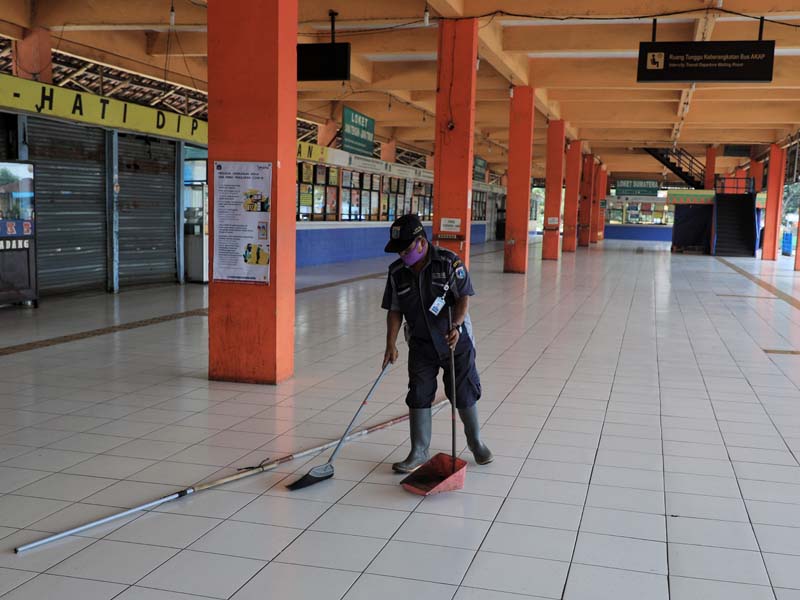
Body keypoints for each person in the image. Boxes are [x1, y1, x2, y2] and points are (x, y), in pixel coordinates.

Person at [381, 214, 492, 473]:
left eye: (406, 249)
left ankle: (476, 443)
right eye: (398, 251)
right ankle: (419, 451)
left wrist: (456, 324)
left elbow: (463, 296)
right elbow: (395, 310)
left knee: (462, 391)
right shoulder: (397, 272)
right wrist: (391, 344)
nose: (402, 256)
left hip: (454, 340)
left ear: (421, 242)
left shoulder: (448, 262)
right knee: (418, 393)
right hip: (420, 343)